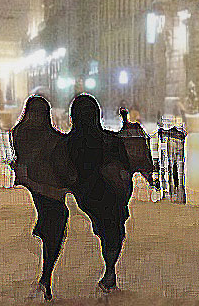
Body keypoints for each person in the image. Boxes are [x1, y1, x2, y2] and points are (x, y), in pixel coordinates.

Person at [66, 94, 135, 294]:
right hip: (113, 196)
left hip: (89, 197)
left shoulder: (70, 144)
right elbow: (126, 167)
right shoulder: (111, 141)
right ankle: (110, 270)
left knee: (106, 230)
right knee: (112, 233)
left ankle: (110, 271)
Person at [11, 95, 75, 302]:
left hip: (38, 188)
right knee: (55, 227)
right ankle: (45, 278)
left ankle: (45, 279)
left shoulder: (20, 133)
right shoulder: (49, 138)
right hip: (50, 190)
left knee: (52, 226)